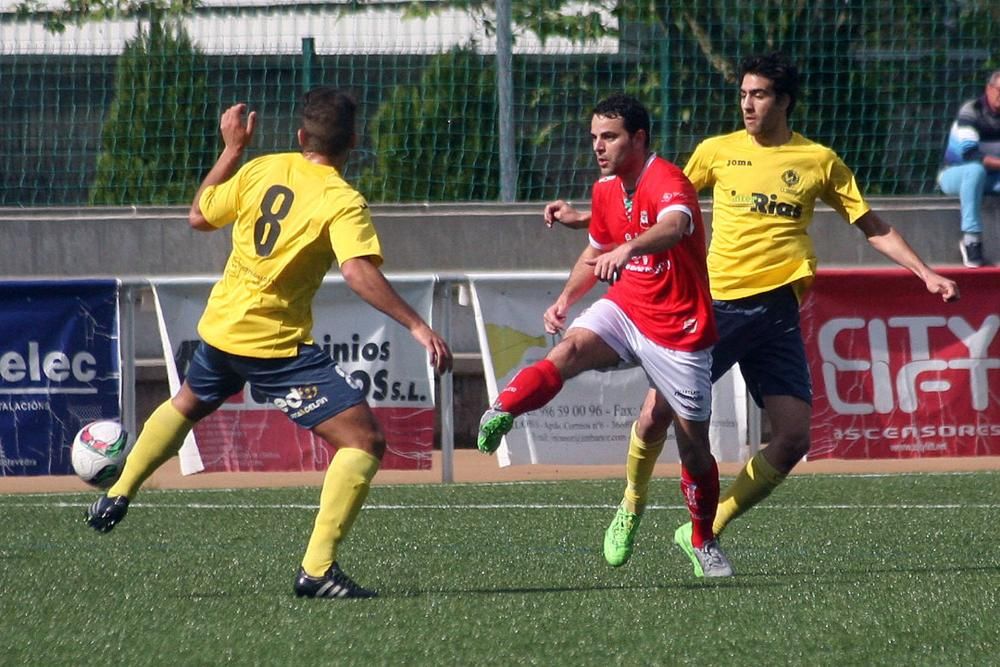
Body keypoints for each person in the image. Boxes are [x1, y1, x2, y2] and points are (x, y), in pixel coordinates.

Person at [545, 53, 960, 573]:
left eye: (759, 94)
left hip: (779, 313)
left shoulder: (818, 160)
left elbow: (871, 225)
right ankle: (631, 502)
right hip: (717, 306)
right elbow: (660, 201)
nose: (747, 103)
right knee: (655, 414)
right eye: (743, 93)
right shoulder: (717, 151)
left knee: (792, 438)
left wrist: (924, 273)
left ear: (784, 100)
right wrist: (585, 217)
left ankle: (704, 531)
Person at [84, 87, 453, 599]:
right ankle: (317, 570)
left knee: (187, 402)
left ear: (301, 136)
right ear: (354, 143)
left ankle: (118, 492)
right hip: (273, 346)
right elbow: (356, 270)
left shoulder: (263, 168)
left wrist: (233, 148)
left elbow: (199, 215)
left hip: (222, 327)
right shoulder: (342, 200)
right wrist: (417, 325)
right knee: (364, 442)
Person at [478, 93, 733, 578]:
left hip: (680, 327)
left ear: (638, 138)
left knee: (692, 444)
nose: (598, 146)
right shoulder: (605, 189)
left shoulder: (667, 179)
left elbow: (677, 225)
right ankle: (503, 409)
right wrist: (565, 300)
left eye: (609, 136)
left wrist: (630, 246)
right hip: (627, 306)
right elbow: (596, 253)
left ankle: (702, 541)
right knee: (570, 347)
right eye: (594, 137)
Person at [937, 69, 1000, 268]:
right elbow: (971, 154)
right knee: (975, 170)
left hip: (992, 178)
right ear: (988, 89)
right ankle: (971, 239)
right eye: (999, 89)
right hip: (955, 174)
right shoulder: (971, 110)